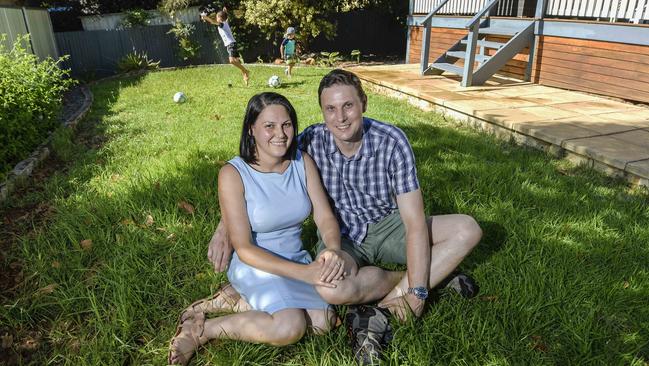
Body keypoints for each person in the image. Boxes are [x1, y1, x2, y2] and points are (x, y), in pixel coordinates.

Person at [206, 69, 482, 363]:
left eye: (348, 105)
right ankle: (431, 274)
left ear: (363, 102)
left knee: (467, 229)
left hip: (389, 225)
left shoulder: (392, 141)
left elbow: (414, 223)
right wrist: (225, 227)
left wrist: (417, 295)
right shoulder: (309, 141)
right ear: (322, 112)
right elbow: (261, 168)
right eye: (330, 109)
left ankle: (396, 300)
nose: (340, 117)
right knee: (332, 291)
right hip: (345, 234)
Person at [168, 92, 346, 365]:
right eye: (269, 126)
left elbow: (324, 217)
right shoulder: (233, 173)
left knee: (323, 322)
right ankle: (201, 330)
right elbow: (244, 247)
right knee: (290, 327)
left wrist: (332, 249)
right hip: (254, 263)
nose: (280, 134)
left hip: (295, 258)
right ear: (251, 128)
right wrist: (306, 274)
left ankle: (241, 301)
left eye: (287, 125)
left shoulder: (302, 162)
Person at [201, 7, 250, 86]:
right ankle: (245, 74)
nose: (216, 19)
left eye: (217, 17)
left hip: (231, 44)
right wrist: (224, 12)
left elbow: (213, 22)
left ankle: (245, 71)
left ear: (220, 18)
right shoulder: (225, 23)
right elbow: (225, 18)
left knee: (232, 61)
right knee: (237, 62)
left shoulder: (222, 24)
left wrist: (205, 17)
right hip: (232, 44)